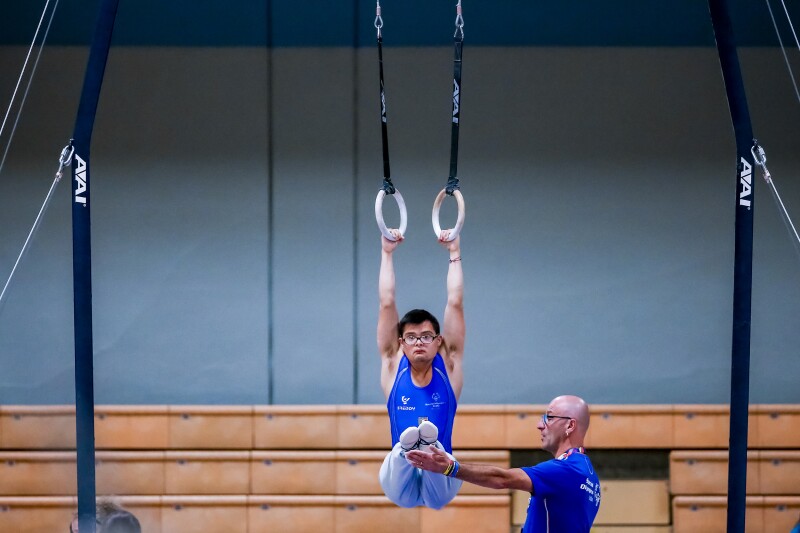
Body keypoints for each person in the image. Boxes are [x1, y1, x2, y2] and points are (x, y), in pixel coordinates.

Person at [407, 395, 601, 532]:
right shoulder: (588, 474)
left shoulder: (566, 470)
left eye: (549, 417)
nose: (540, 424)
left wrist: (449, 467)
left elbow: (502, 479)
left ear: (570, 425)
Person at [377, 228, 465, 509]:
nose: (419, 343)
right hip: (400, 484)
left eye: (426, 337)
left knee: (438, 463)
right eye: (412, 338)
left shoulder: (448, 364)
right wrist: (386, 253)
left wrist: (454, 253)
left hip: (441, 474)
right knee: (396, 457)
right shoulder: (393, 364)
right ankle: (407, 450)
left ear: (438, 341)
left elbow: (455, 302)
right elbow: (386, 301)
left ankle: (428, 447)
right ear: (401, 343)